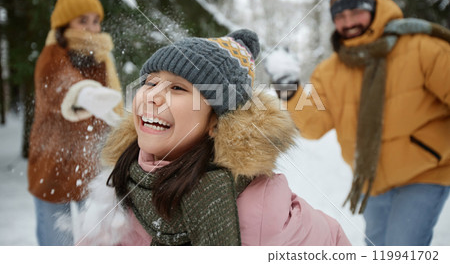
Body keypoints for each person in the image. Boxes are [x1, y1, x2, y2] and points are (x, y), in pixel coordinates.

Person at [75, 29, 351, 246]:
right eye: (150, 82)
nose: (152, 96)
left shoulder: (261, 207)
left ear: (215, 122)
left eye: (178, 88)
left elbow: (334, 240)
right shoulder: (121, 183)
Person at [266, 0, 450, 246]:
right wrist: (289, 91)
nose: (349, 21)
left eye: (357, 11)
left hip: (425, 172)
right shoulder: (330, 71)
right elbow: (314, 125)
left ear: (373, 9)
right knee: (376, 247)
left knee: (402, 247)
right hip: (372, 180)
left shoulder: (420, 47)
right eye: (341, 15)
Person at [28, 0, 123, 246]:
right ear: (64, 25)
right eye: (83, 21)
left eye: (95, 20)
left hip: (89, 170)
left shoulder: (102, 60)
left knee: (92, 246)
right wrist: (86, 94)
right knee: (56, 245)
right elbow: (61, 83)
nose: (92, 28)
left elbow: (111, 108)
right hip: (52, 169)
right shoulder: (52, 55)